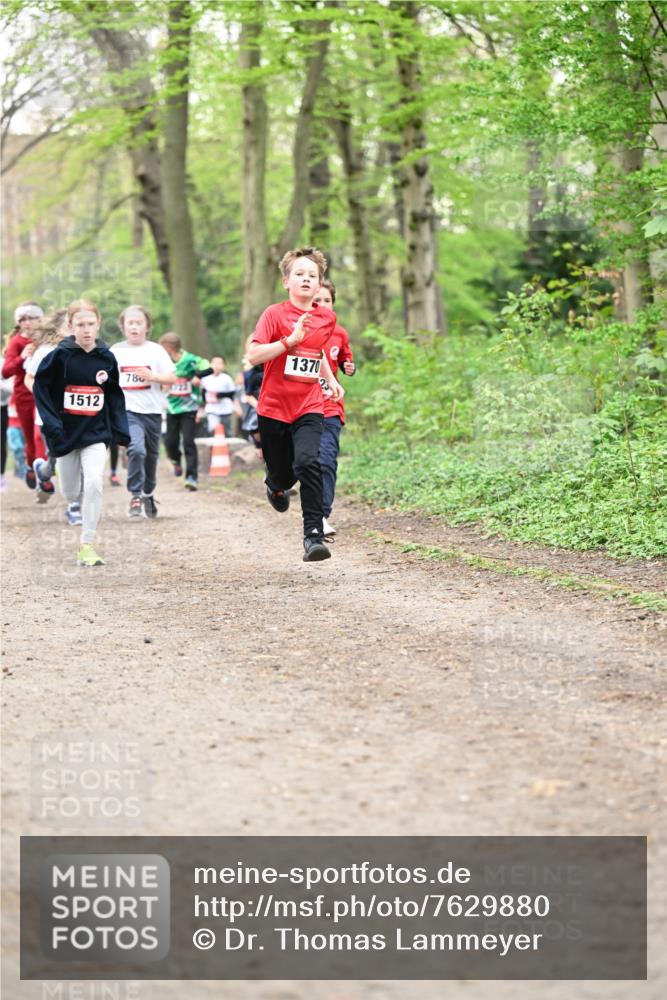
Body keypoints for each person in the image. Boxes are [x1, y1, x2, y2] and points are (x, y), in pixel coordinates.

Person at [247, 246, 343, 563]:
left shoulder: (326, 318)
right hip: (273, 408)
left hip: (309, 405)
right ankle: (275, 485)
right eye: (299, 274)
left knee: (308, 462)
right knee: (284, 476)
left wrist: (330, 380)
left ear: (319, 284)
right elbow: (254, 356)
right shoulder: (274, 315)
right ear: (286, 281)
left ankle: (313, 536)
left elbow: (317, 353)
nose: (306, 279)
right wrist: (289, 341)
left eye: (312, 275)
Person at [32, 299, 130, 566]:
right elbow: (41, 389)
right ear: (70, 326)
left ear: (98, 324)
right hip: (64, 433)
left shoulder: (106, 358)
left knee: (94, 483)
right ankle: (45, 468)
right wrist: (52, 424)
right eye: (80, 324)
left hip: (96, 433)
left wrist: (120, 430)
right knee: (71, 492)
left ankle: (87, 544)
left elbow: (114, 396)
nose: (86, 330)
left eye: (91, 324)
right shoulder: (58, 357)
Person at [110, 305, 176, 517]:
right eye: (130, 323)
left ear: (147, 327)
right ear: (123, 327)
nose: (134, 327)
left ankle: (148, 493)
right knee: (136, 449)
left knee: (151, 456)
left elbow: (172, 378)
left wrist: (153, 376)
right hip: (127, 411)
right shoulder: (115, 351)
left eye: (139, 323)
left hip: (152, 411)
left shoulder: (156, 350)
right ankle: (136, 495)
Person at [312, 279, 356, 537]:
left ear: (333, 304)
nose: (322, 305)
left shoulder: (340, 333)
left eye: (327, 300)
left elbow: (346, 360)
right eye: (317, 300)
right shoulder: (298, 330)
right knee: (304, 461)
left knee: (327, 459)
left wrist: (349, 367)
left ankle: (321, 515)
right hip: (300, 407)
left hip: (330, 405)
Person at [24, 308, 68, 507]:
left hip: (77, 416)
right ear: (57, 328)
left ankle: (75, 505)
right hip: (50, 416)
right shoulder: (45, 352)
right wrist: (43, 397)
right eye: (68, 324)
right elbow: (29, 378)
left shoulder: (85, 350)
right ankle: (43, 472)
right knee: (56, 460)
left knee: (76, 457)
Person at [158, 332, 212, 491]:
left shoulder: (190, 359)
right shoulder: (164, 362)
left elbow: (209, 367)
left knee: (188, 441)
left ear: (168, 347)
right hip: (172, 408)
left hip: (189, 407)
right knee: (170, 441)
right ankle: (175, 460)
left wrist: (198, 375)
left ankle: (192, 477)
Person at [1, 303, 46, 488]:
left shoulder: (47, 340)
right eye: (23, 319)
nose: (27, 323)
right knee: (30, 439)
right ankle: (31, 466)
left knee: (40, 434)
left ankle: (44, 474)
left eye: (32, 318)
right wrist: (22, 356)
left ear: (40, 319)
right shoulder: (16, 342)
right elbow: (5, 372)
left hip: (44, 394)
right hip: (23, 396)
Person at [200, 356, 237, 437]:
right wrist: (202, 405)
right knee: (213, 429)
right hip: (211, 409)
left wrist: (220, 395)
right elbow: (203, 392)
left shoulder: (227, 378)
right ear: (210, 364)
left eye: (219, 363)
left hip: (226, 410)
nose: (217, 365)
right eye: (214, 363)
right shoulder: (205, 378)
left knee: (227, 432)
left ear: (223, 365)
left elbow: (233, 393)